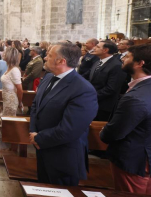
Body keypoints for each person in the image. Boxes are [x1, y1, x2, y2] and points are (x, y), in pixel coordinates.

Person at [29, 42, 98, 186]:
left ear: (61, 61)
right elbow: (36, 105)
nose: (45, 57)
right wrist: (33, 131)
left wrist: (39, 138)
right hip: (42, 147)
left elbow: (70, 129)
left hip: (63, 155)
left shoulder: (83, 89)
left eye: (49, 55)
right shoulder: (48, 77)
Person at [100, 44, 151, 194]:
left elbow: (115, 132)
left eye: (127, 56)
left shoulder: (135, 97)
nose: (122, 58)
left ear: (139, 63)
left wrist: (104, 132)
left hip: (134, 159)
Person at [88, 40, 126, 121]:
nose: (94, 48)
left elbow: (111, 88)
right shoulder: (97, 62)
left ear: (105, 50)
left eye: (98, 47)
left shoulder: (116, 65)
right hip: (93, 103)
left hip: (105, 106)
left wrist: (91, 96)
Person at [0, 47, 23, 126]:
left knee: (8, 122)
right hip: (6, 98)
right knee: (6, 121)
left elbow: (19, 89)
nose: (3, 54)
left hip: (11, 100)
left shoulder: (15, 70)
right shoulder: (9, 68)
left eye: (5, 53)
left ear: (10, 55)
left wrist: (20, 103)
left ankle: (8, 137)